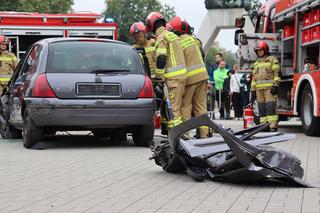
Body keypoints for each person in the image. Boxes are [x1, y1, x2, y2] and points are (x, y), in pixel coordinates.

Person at [145, 12, 186, 134]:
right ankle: (176, 136)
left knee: (173, 111)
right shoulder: (172, 35)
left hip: (173, 79)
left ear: (151, 25)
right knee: (178, 108)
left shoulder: (162, 37)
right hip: (181, 77)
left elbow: (161, 59)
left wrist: (158, 78)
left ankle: (178, 137)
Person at [169, 16, 209, 138]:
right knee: (201, 108)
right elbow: (202, 54)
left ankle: (185, 136)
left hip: (190, 79)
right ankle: (205, 135)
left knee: (185, 107)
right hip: (203, 76)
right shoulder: (193, 39)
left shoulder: (177, 42)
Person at [251, 41, 280, 132]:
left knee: (271, 107)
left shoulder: (272, 59)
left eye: (261, 50)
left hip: (270, 89)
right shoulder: (256, 63)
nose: (259, 52)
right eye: (257, 51)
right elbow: (254, 78)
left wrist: (276, 85)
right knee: (261, 108)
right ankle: (264, 126)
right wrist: (252, 91)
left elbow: (277, 73)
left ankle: (273, 126)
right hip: (259, 90)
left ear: (265, 50)